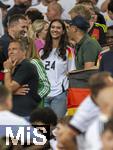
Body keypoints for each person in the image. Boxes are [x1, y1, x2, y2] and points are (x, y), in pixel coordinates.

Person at [57, 72, 113, 149]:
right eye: (111, 86)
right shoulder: (86, 108)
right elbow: (66, 137)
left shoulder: (107, 103)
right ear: (102, 91)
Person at [40, 19, 76, 118]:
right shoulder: (42, 52)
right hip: (44, 94)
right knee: (43, 127)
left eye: (58, 27)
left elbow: (72, 72)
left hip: (60, 94)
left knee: (56, 127)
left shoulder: (69, 51)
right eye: (53, 27)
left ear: (63, 31)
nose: (55, 30)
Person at [3, 38, 41, 117]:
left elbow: (8, 88)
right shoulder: (12, 69)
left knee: (43, 129)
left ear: (24, 52)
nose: (10, 52)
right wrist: (13, 92)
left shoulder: (27, 65)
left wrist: (6, 69)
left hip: (26, 115)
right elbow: (5, 91)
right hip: (14, 115)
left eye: (14, 49)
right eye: (9, 49)